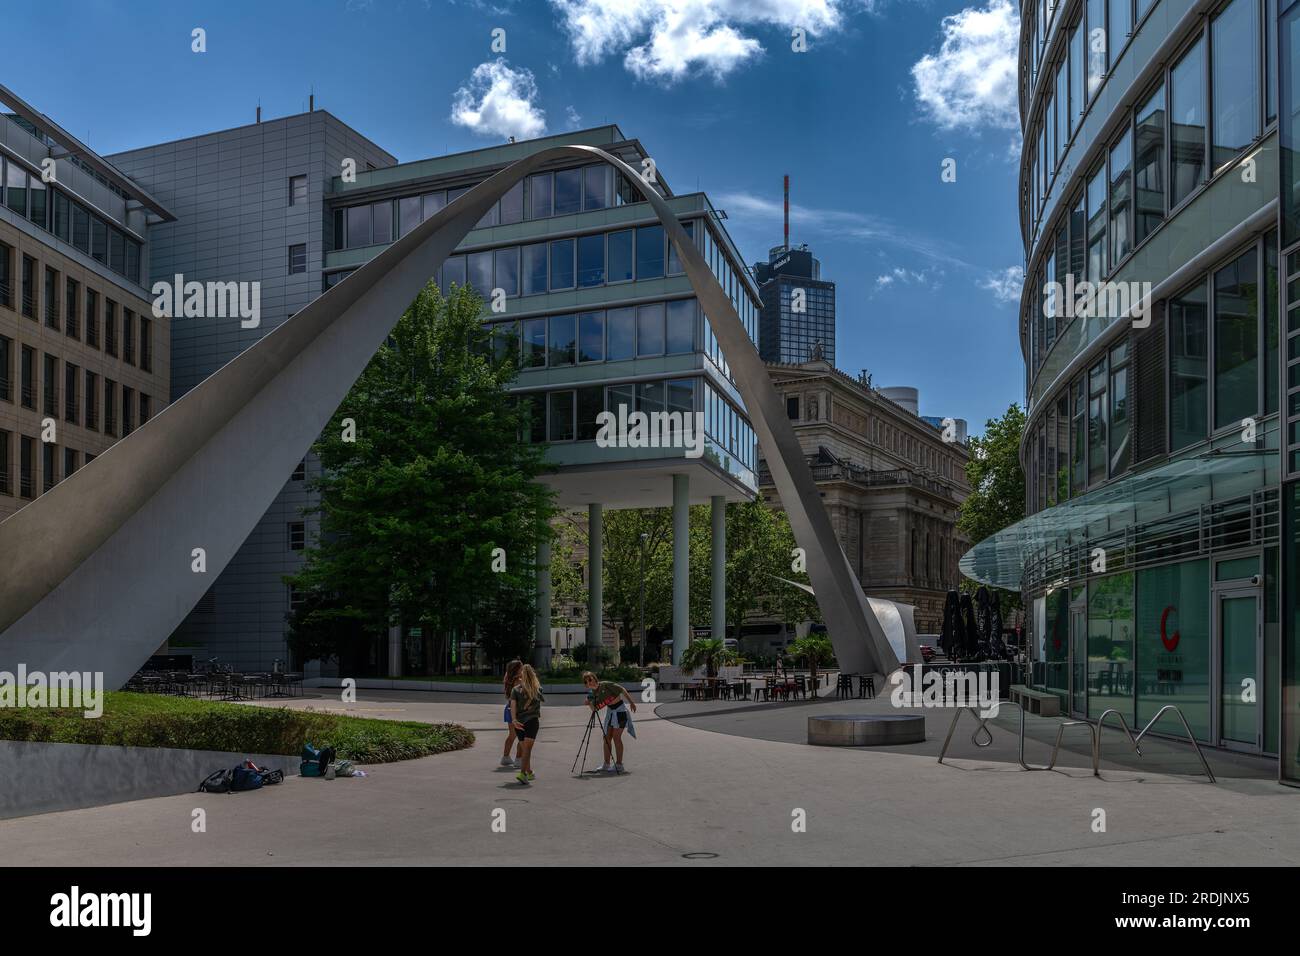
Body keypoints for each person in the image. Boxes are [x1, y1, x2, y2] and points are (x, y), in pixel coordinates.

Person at [582, 671, 637, 774]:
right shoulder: (592, 694)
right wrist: (589, 703)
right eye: (586, 682)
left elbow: (622, 690)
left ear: (594, 678)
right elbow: (595, 709)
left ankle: (619, 764)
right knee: (606, 738)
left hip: (620, 711)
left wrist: (631, 703)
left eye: (590, 679)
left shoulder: (605, 684)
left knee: (616, 738)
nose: (589, 682)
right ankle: (606, 764)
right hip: (610, 712)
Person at [510, 664, 544, 785]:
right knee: (527, 749)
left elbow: (512, 706)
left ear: (522, 675)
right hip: (532, 721)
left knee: (525, 749)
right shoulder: (538, 689)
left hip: (518, 722)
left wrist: (514, 720)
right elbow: (539, 699)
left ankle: (528, 772)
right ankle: (523, 773)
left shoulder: (515, 690)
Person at [499, 659, 524, 769]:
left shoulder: (508, 680)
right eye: (521, 668)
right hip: (518, 711)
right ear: (517, 670)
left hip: (509, 708)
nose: (523, 670)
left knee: (512, 735)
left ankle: (505, 757)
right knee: (522, 736)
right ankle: (519, 759)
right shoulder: (519, 681)